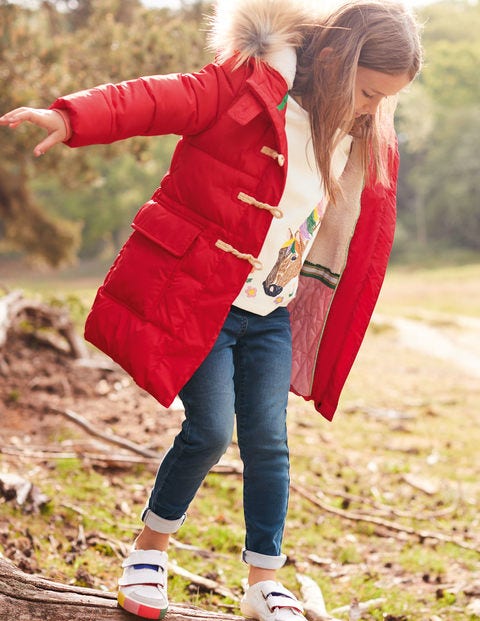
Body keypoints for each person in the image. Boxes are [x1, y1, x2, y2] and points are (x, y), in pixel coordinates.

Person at [0, 0, 422, 619]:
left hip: (270, 315)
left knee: (268, 443)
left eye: (383, 101)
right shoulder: (246, 88)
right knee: (207, 431)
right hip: (207, 303)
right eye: (367, 93)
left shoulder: (351, 131)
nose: (371, 110)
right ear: (334, 61)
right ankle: (148, 554)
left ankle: (263, 582)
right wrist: (74, 117)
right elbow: (159, 98)